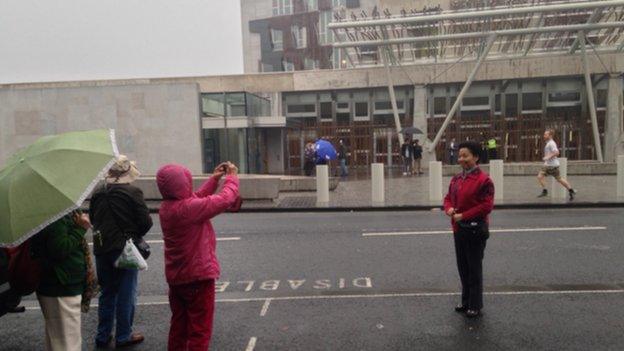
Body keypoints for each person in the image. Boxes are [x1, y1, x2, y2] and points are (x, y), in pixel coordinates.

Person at [157, 161, 240, 351]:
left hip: (177, 278)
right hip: (198, 278)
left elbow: (195, 198)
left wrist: (213, 180)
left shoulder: (167, 208)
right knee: (199, 331)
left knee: (179, 326)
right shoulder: (188, 210)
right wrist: (232, 178)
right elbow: (225, 199)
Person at [89, 155, 153, 348]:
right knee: (126, 292)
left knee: (107, 292)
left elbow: (93, 218)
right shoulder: (133, 191)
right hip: (124, 248)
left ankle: (103, 335)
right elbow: (146, 222)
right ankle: (124, 335)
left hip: (102, 248)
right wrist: (133, 236)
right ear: (127, 172)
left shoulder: (98, 191)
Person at [443, 141, 494, 318]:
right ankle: (466, 301)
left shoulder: (484, 180)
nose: (461, 159)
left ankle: (475, 304)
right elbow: (448, 198)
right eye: (460, 156)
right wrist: (448, 208)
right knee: (463, 268)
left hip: (474, 230)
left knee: (474, 268)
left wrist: (463, 215)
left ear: (476, 157)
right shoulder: (457, 179)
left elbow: (486, 206)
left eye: (465, 156)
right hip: (459, 229)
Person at [31, 212, 92, 351]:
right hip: (61, 286)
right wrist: (81, 228)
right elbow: (60, 248)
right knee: (68, 344)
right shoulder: (55, 217)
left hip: (57, 284)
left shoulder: (54, 213)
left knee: (58, 341)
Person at [537, 129, 577, 200]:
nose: (544, 136)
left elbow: (557, 152)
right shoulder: (549, 143)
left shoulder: (551, 143)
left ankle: (545, 191)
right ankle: (571, 190)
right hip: (550, 165)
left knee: (543, 176)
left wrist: (548, 157)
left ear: (550, 135)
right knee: (557, 179)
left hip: (552, 166)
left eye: (546, 134)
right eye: (544, 134)